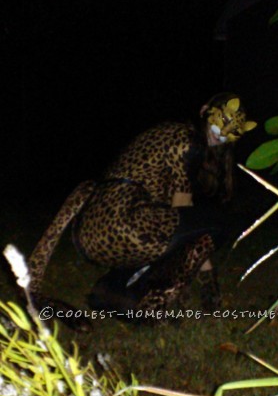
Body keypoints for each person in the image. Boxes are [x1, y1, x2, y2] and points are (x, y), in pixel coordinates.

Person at [29, 93, 256, 323]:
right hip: (124, 220)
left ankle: (112, 291)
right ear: (204, 110)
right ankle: (152, 302)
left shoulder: (170, 132)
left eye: (228, 136)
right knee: (217, 223)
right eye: (218, 126)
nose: (220, 137)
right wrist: (207, 277)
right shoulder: (188, 141)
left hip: (92, 231)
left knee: (172, 231)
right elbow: (181, 211)